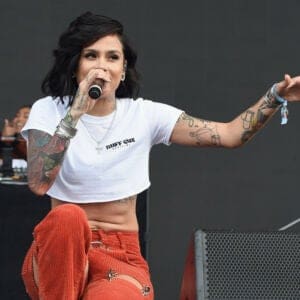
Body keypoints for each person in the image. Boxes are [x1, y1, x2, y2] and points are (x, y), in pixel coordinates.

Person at [20, 11, 300, 300]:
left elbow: (229, 134)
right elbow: (39, 183)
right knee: (68, 217)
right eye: (92, 56)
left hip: (119, 257)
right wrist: (75, 113)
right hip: (61, 253)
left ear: (124, 69)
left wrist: (275, 97)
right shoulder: (49, 110)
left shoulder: (144, 115)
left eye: (112, 57)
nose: (102, 66)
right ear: (76, 65)